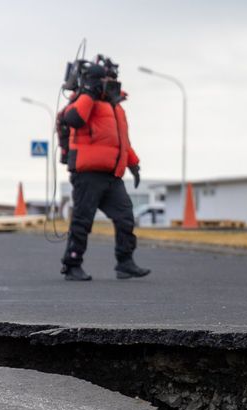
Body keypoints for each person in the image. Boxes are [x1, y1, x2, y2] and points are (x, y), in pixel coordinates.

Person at [57, 55, 150, 281]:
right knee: (83, 220)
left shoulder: (116, 107)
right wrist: (88, 91)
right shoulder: (82, 100)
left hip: (112, 174)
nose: (110, 81)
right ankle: (72, 264)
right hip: (87, 173)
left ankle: (125, 263)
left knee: (126, 217)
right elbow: (74, 119)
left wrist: (133, 163)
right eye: (106, 77)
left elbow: (122, 142)